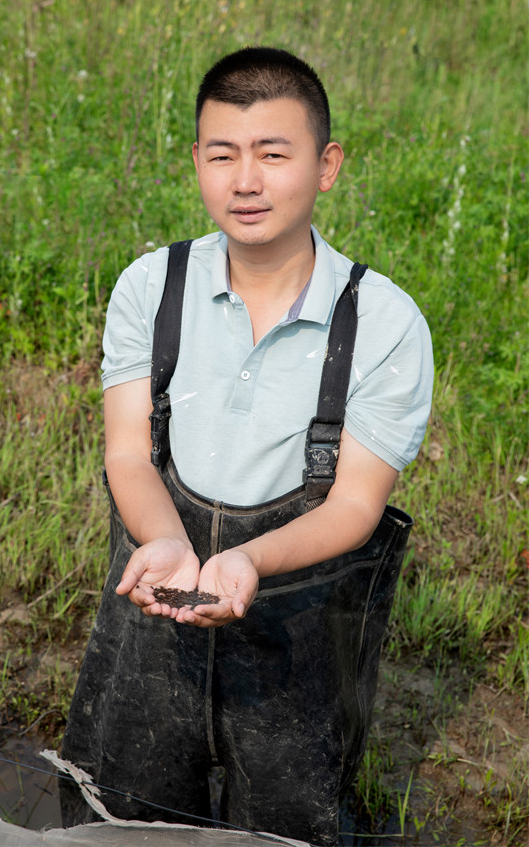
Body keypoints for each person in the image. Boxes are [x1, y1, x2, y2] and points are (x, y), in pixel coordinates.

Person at [60, 47, 433, 845]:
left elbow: (358, 503)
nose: (246, 180)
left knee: (289, 827)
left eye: (274, 154)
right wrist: (166, 539)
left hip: (298, 637)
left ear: (327, 165)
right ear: (196, 162)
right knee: (119, 816)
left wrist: (251, 561)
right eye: (223, 155)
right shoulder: (150, 286)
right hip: (157, 609)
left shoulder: (384, 323)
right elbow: (129, 454)